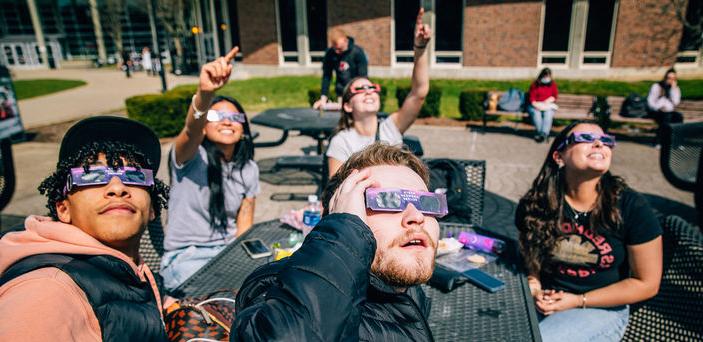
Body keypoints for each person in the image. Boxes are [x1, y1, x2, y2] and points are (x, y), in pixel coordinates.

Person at [231, 142, 439, 341]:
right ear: (344, 215)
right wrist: (344, 229)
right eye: (388, 200)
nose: (417, 216)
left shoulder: (407, 291)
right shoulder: (273, 288)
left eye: (426, 202)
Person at [0, 116, 169, 341]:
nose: (117, 188)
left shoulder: (125, 269)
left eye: (135, 176)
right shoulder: (48, 291)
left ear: (152, 210)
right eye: (92, 175)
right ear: (63, 209)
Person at [515, 120, 662, 341]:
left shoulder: (632, 207)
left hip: (600, 308)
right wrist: (534, 283)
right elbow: (529, 254)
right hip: (545, 299)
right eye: (585, 138)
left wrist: (578, 300)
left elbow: (647, 284)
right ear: (559, 157)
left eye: (605, 140)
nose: (598, 144)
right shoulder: (536, 203)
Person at [160, 47, 260, 291]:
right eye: (217, 116)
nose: (228, 121)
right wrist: (205, 93)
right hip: (186, 258)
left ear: (243, 129)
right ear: (205, 125)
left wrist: (242, 261)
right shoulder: (190, 156)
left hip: (226, 256)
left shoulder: (248, 168)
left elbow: (243, 226)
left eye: (236, 119)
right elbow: (191, 129)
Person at [326, 8, 431, 177]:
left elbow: (419, 92)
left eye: (372, 88)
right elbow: (335, 190)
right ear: (347, 105)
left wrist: (420, 48)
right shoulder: (342, 141)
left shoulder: (391, 128)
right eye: (359, 89)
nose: (368, 92)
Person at [312, 29, 368, 110]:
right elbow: (327, 76)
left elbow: (363, 77)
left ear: (346, 41)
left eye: (340, 49)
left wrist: (360, 93)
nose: (337, 52)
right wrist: (323, 97)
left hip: (357, 92)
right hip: (341, 91)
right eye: (335, 49)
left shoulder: (357, 52)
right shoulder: (330, 53)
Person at [647, 68, 683, 142]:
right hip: (656, 111)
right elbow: (650, 101)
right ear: (665, 77)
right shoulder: (657, 86)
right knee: (666, 117)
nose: (670, 80)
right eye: (669, 78)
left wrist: (673, 89)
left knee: (679, 116)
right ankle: (660, 141)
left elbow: (676, 102)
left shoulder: (676, 89)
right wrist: (658, 108)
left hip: (669, 111)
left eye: (673, 78)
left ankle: (676, 141)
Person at [527, 67, 559, 143]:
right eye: (545, 76)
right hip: (535, 105)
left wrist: (549, 100)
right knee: (536, 114)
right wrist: (536, 105)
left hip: (547, 105)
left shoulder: (552, 84)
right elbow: (531, 98)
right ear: (541, 76)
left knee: (548, 114)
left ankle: (544, 134)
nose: (547, 78)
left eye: (548, 76)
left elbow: (555, 96)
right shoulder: (535, 84)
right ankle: (541, 133)